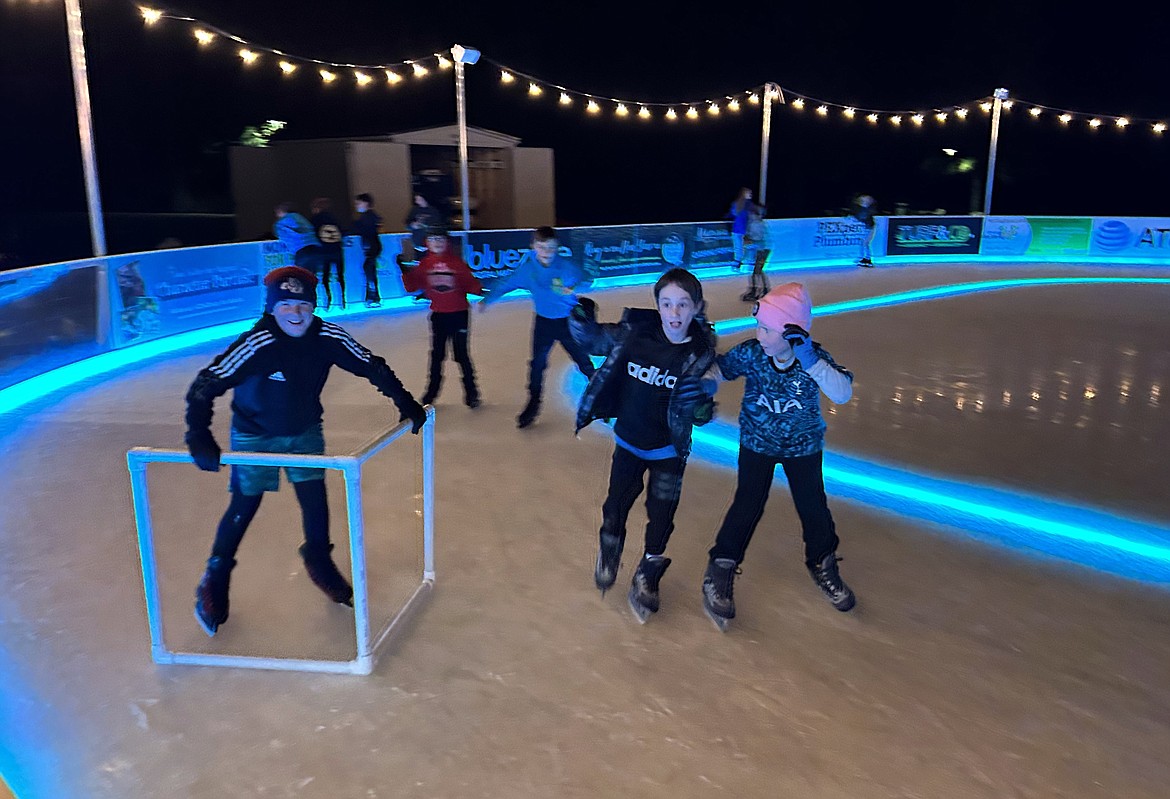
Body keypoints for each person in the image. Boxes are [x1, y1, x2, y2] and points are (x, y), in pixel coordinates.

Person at [183, 266, 427, 637]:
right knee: (245, 505)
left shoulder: (327, 336)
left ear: (313, 307)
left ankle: (317, 558)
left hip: (304, 430)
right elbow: (206, 383)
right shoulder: (257, 343)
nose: (295, 314)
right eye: (286, 306)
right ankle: (215, 577)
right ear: (272, 309)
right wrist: (198, 434)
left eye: (303, 305)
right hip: (255, 434)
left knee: (314, 500)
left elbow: (370, 366)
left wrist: (404, 400)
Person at [700, 283, 856, 632]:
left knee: (813, 507)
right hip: (758, 442)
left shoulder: (812, 359)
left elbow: (842, 393)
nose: (760, 334)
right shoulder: (753, 353)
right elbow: (719, 370)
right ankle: (721, 565)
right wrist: (704, 388)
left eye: (768, 329)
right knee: (747, 504)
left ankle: (822, 562)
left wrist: (812, 362)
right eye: (760, 326)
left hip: (803, 447)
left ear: (793, 332)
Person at [569, 268, 718, 623]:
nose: (675, 313)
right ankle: (610, 548)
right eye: (667, 304)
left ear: (697, 307)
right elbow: (594, 341)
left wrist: (701, 406)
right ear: (658, 306)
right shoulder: (635, 334)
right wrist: (580, 321)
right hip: (629, 442)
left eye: (683, 304)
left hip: (668, 450)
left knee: (662, 516)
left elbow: (704, 397)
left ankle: (649, 570)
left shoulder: (699, 351)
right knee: (616, 504)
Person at [479, 226, 596, 428]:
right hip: (543, 323)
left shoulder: (566, 266)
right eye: (542, 247)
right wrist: (488, 299)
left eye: (551, 247)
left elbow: (588, 279)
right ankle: (533, 404)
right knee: (537, 365)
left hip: (567, 323)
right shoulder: (528, 270)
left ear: (557, 246)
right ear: (533, 247)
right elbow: (506, 283)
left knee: (583, 361)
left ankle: (602, 396)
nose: (547, 252)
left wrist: (574, 288)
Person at [400, 227, 484, 408]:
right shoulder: (425, 264)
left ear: (446, 242)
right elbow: (411, 287)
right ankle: (430, 395)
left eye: (440, 239)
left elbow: (471, 284)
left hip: (459, 314)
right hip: (438, 316)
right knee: (437, 356)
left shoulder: (456, 263)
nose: (437, 243)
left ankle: (472, 393)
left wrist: (480, 290)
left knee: (461, 355)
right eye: (433, 239)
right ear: (427, 243)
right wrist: (405, 271)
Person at [309, 197, 346, 310]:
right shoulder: (335, 218)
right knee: (340, 276)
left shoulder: (316, 219)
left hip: (324, 251)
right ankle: (343, 300)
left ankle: (328, 301)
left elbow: (311, 232)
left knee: (325, 277)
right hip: (337, 250)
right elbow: (343, 231)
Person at [273, 202, 322, 275]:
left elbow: (280, 235)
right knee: (312, 276)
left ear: (280, 211)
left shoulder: (281, 223)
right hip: (314, 248)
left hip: (301, 250)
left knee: (300, 277)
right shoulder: (300, 217)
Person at [353, 193, 383, 307]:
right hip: (373, 247)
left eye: (358, 203)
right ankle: (373, 296)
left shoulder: (366, 218)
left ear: (365, 203)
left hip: (371, 247)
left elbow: (359, 229)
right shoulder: (371, 217)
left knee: (369, 270)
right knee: (369, 270)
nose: (356, 206)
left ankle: (373, 296)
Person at [741, 203, 771, 302]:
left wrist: (750, 240)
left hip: (764, 249)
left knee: (756, 271)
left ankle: (755, 290)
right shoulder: (754, 223)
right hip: (761, 248)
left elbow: (760, 239)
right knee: (758, 270)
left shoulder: (758, 224)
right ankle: (764, 289)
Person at [404, 194, 444, 265]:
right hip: (417, 241)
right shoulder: (414, 210)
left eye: (419, 199)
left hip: (430, 242)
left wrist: (427, 226)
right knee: (418, 262)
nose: (417, 201)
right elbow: (407, 224)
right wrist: (413, 225)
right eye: (416, 199)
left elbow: (438, 225)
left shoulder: (433, 211)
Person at [726, 187, 754, 270]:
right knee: (741, 248)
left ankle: (739, 264)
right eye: (749, 193)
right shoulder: (746, 205)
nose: (750, 195)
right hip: (741, 230)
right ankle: (740, 264)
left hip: (739, 229)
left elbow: (732, 214)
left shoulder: (741, 204)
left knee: (740, 248)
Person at [846, 194, 877, 267]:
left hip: (870, 228)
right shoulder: (862, 211)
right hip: (867, 228)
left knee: (865, 243)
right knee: (863, 243)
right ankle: (865, 258)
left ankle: (868, 259)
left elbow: (865, 218)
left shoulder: (866, 211)